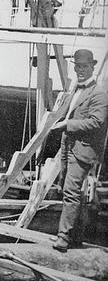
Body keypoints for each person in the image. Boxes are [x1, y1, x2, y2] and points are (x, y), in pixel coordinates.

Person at [51, 48, 108, 252]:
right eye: (77, 67)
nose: (80, 70)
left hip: (83, 150)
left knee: (71, 191)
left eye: (84, 66)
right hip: (68, 146)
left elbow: (97, 122)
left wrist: (68, 124)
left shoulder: (99, 93)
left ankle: (63, 237)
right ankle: (76, 236)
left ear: (92, 67)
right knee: (68, 190)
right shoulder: (76, 89)